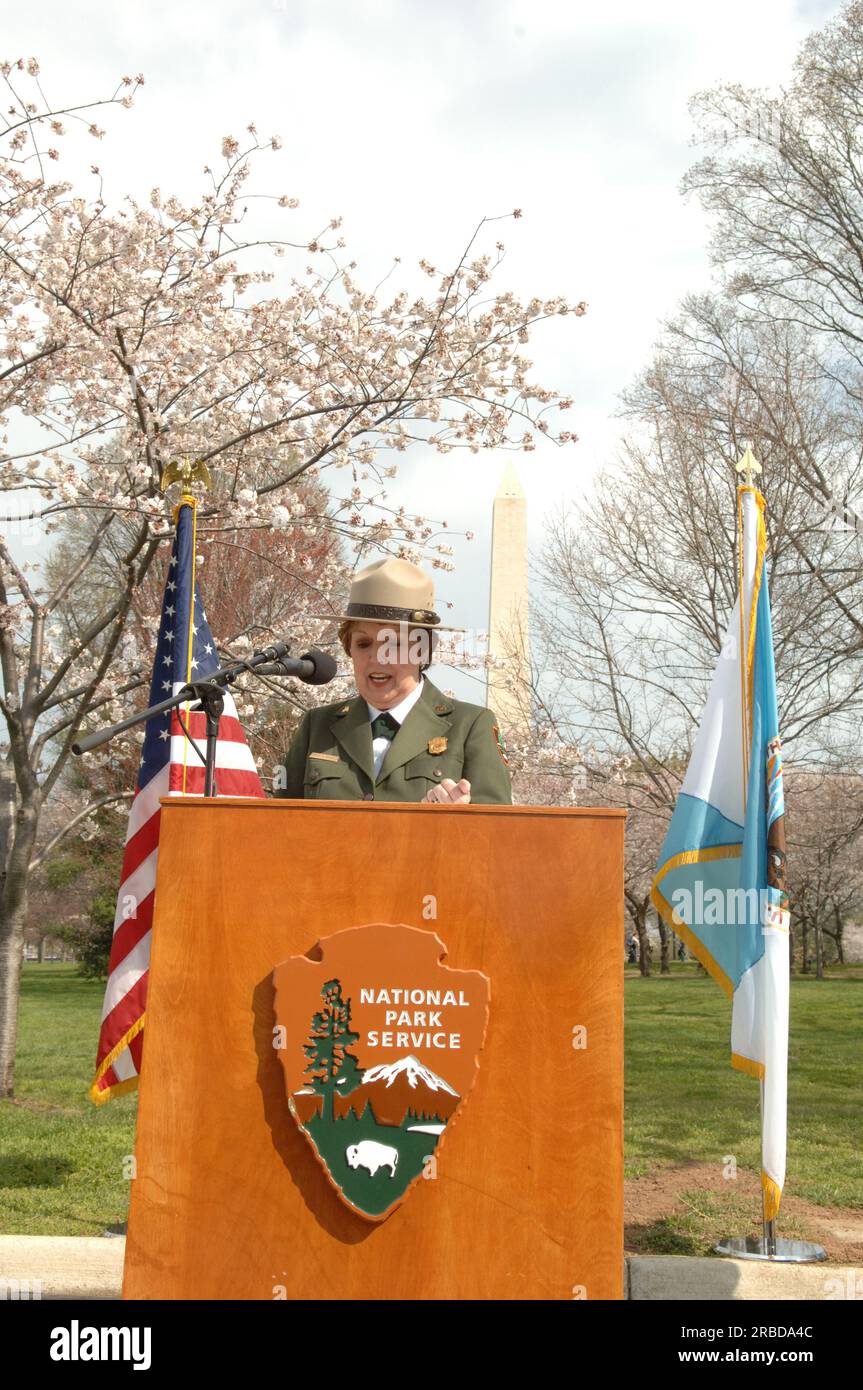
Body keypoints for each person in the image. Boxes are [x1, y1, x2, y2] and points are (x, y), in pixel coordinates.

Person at [273, 557, 513, 805]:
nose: (377, 657)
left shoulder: (470, 726)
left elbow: (498, 833)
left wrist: (455, 824)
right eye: (363, 643)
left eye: (395, 643)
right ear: (349, 649)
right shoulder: (317, 726)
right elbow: (277, 825)